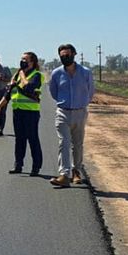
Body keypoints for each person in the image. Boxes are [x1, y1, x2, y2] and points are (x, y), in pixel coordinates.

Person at [48, 44, 93, 187]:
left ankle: (76, 171)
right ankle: (64, 175)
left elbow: (90, 91)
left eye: (67, 55)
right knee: (64, 143)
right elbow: (54, 92)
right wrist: (65, 102)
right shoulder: (56, 73)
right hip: (63, 112)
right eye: (62, 55)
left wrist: (81, 103)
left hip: (80, 112)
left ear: (74, 54)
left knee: (78, 144)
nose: (64, 57)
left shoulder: (85, 72)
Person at [0, 52, 43, 176]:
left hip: (31, 112)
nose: (22, 61)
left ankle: (36, 167)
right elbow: (9, 92)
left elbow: (28, 87)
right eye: (21, 59)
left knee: (32, 139)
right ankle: (18, 165)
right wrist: (0, 105)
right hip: (18, 111)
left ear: (32, 62)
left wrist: (21, 74)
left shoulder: (37, 75)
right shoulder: (16, 76)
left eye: (25, 59)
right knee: (19, 139)